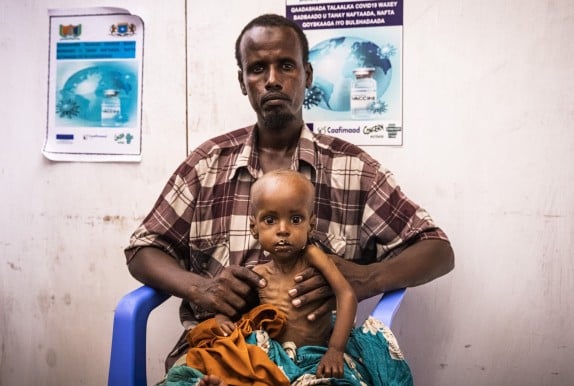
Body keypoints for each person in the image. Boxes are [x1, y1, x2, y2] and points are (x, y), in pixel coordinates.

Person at [125, 12, 454, 382]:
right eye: (257, 69)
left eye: (285, 66)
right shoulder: (207, 164)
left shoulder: (352, 168)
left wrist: (366, 279)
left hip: (313, 360)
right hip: (221, 352)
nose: (271, 81)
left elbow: (437, 250)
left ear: (307, 75)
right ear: (242, 81)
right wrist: (202, 288)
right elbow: (142, 250)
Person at [214, 169, 357, 379]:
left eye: (296, 219)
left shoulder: (312, 256)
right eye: (270, 220)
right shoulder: (258, 274)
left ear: (311, 225)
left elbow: (347, 295)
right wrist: (221, 318)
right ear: (254, 227)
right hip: (272, 359)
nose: (283, 230)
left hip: (315, 357)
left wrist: (335, 350)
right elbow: (232, 306)